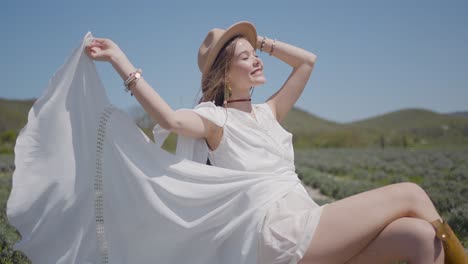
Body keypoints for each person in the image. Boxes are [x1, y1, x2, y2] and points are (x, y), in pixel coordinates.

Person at [7, 21, 466, 264]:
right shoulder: (213, 119)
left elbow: (306, 63)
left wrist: (255, 39)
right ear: (224, 75)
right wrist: (121, 61)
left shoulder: (270, 114)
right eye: (245, 59)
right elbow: (166, 117)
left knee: (421, 238)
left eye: (256, 56)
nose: (258, 62)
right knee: (410, 193)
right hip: (278, 235)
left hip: (309, 224)